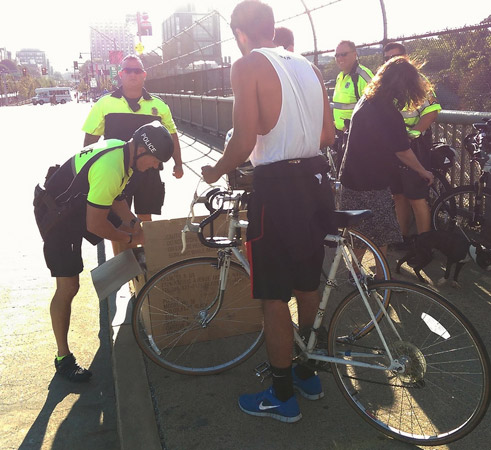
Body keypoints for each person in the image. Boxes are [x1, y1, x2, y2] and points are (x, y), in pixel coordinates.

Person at [201, 1, 336, 423]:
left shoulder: (247, 66)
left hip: (277, 191)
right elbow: (328, 134)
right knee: (307, 284)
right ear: (273, 28)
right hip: (317, 185)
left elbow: (242, 141)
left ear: (239, 33)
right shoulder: (309, 68)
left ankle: (282, 395)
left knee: (274, 296)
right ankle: (308, 373)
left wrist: (214, 170)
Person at [34, 122, 174, 382]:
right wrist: (131, 237)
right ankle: (63, 359)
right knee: (68, 286)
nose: (156, 167)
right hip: (57, 218)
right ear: (143, 150)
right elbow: (96, 224)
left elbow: (117, 198)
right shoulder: (112, 166)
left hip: (76, 206)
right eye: (156, 161)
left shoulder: (123, 152)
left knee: (124, 231)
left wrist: (134, 224)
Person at [82, 55, 183, 252]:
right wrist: (87, 170)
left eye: (137, 71)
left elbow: (172, 136)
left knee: (146, 217)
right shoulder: (104, 104)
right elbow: (90, 140)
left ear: (144, 75)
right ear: (121, 74)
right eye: (128, 70)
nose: (133, 74)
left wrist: (178, 163)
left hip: (149, 171)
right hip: (117, 170)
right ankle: (124, 264)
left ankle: (148, 260)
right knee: (119, 219)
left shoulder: (159, 105)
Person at [339, 57, 434, 261]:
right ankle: (379, 280)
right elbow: (403, 151)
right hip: (372, 183)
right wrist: (423, 171)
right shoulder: (387, 112)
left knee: (361, 234)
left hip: (351, 177)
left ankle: (362, 276)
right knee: (379, 233)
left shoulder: (367, 100)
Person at [383, 42, 442, 246]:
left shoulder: (418, 80)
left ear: (406, 57)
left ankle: (423, 245)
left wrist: (413, 134)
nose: (392, 61)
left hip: (414, 145)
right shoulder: (386, 83)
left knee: (416, 196)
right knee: (398, 195)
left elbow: (431, 112)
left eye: (396, 56)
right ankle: (403, 237)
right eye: (388, 58)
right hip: (394, 145)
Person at [332, 40, 374, 171]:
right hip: (341, 135)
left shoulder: (363, 75)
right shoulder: (340, 76)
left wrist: (356, 129)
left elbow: (376, 107)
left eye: (344, 54)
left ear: (355, 54)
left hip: (357, 138)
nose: (340, 58)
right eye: (337, 55)